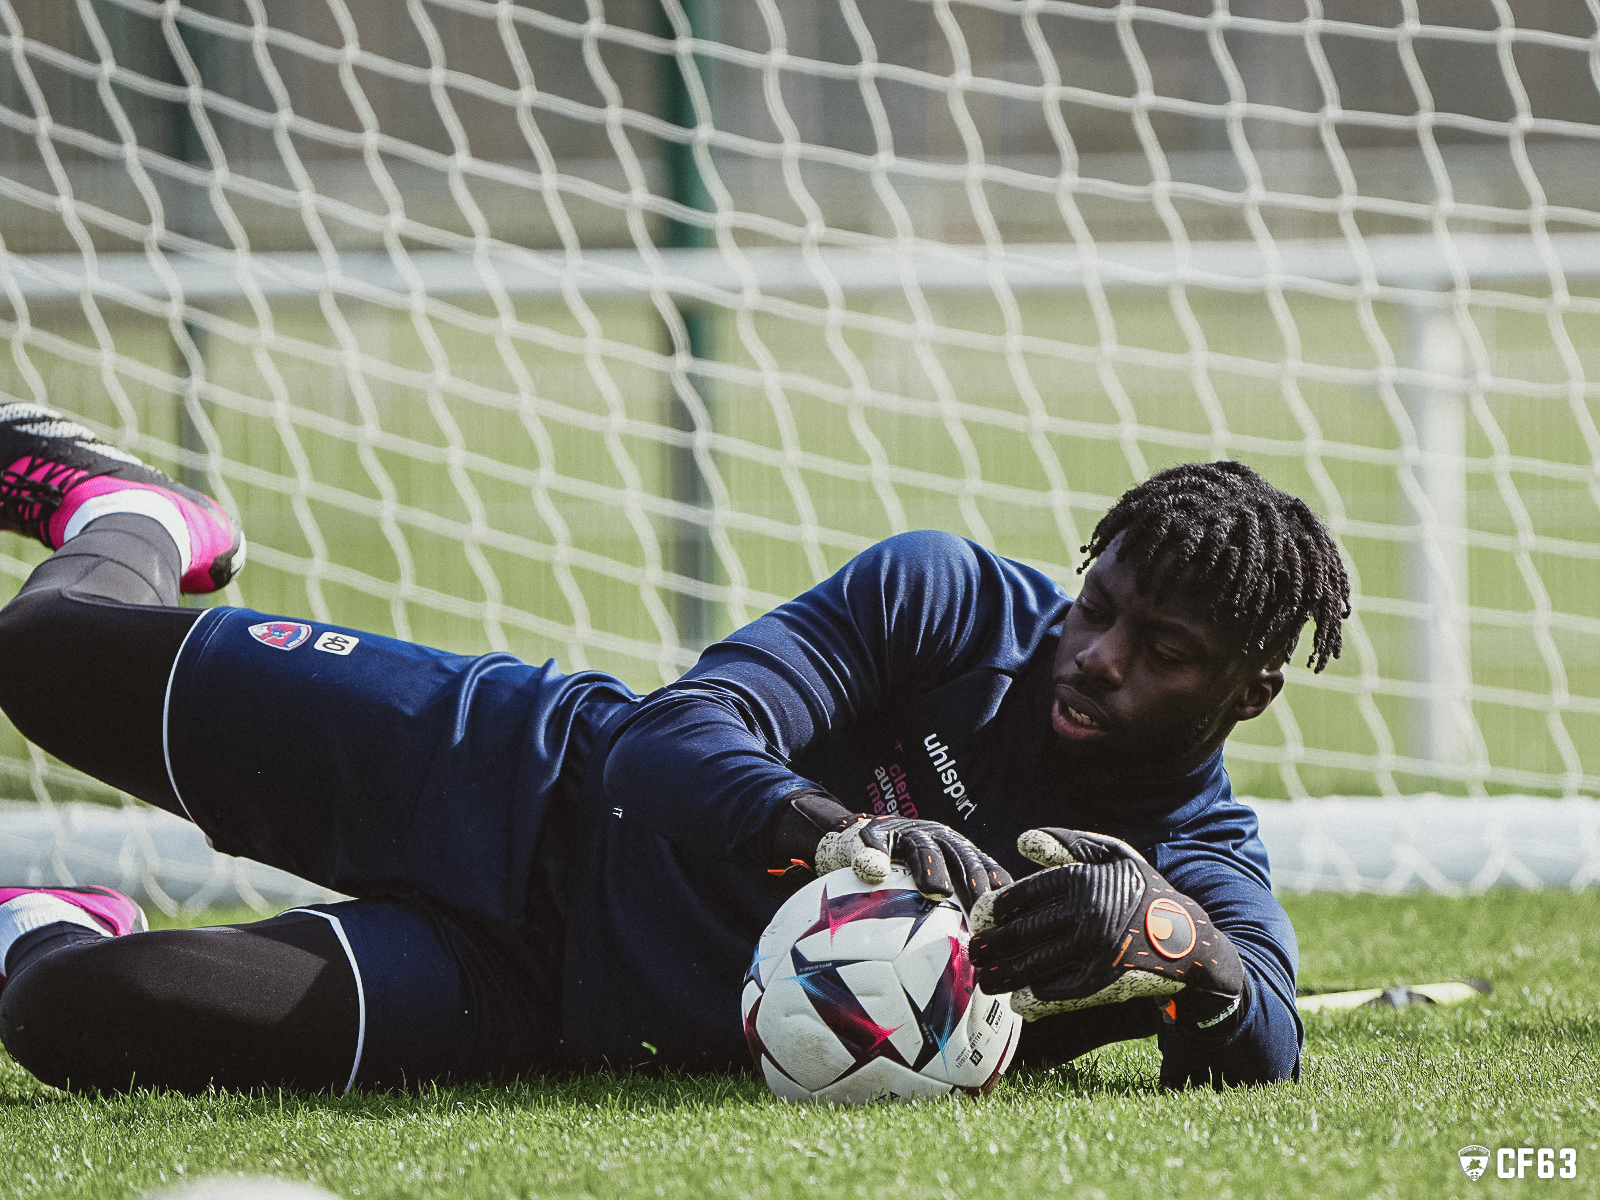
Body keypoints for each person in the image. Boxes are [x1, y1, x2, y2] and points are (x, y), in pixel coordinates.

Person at [0, 402, 1348, 1094]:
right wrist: (830, 835)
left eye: (1163, 653)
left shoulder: (1189, 854)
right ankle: (137, 519)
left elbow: (1264, 1036)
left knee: (67, 1018)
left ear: (1252, 692)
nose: (1098, 656)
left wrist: (1177, 949)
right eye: (1095, 605)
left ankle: (51, 915)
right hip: (524, 776)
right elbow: (672, 738)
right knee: (48, 661)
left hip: (535, 1002)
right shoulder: (942, 601)